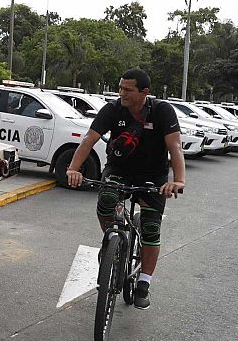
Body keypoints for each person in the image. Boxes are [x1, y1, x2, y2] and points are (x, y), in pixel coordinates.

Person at [65, 69, 185, 310]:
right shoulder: (112, 109)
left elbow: (175, 147)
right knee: (106, 199)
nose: (122, 93)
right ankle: (112, 239)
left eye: (128, 90)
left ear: (144, 92)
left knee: (151, 227)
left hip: (153, 175)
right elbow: (89, 139)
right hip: (119, 168)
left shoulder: (162, 111)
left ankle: (144, 283)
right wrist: (73, 169)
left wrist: (178, 180)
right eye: (120, 88)